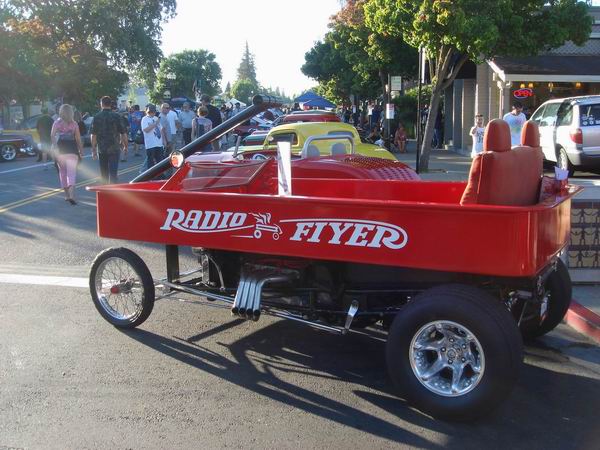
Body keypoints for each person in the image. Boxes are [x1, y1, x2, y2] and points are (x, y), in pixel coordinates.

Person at [50, 104, 83, 205]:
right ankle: (72, 195)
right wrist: (81, 151)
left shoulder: (57, 123)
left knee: (63, 173)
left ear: (61, 112)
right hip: (72, 150)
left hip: (60, 151)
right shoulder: (74, 124)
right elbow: (78, 139)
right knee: (71, 174)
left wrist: (55, 146)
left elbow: (52, 135)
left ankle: (67, 195)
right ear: (71, 113)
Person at [91, 96, 127, 184]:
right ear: (110, 104)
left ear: (101, 104)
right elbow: (123, 133)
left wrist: (93, 149)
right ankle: (113, 190)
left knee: (104, 174)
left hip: (102, 149)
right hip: (114, 148)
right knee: (113, 174)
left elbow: (93, 135)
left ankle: (105, 189)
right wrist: (125, 146)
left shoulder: (97, 117)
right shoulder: (117, 116)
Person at [141, 104, 165, 169]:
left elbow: (161, 130)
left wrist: (164, 141)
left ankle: (160, 174)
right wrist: (155, 123)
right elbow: (146, 130)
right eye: (150, 112)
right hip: (151, 144)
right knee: (151, 163)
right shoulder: (144, 119)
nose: (152, 113)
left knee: (160, 162)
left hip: (159, 143)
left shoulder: (156, 118)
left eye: (153, 112)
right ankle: (149, 174)